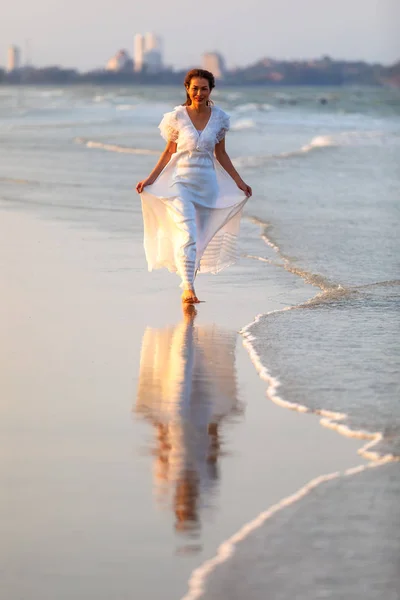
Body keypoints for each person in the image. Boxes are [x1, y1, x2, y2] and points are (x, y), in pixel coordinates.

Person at [136, 68, 252, 304]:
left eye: (204, 88)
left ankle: (189, 274)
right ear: (187, 88)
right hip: (181, 183)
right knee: (188, 233)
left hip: (208, 185)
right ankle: (188, 288)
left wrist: (239, 182)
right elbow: (169, 152)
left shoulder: (220, 118)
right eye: (195, 88)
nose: (199, 92)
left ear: (211, 90)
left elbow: (221, 154)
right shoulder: (177, 117)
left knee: (199, 238)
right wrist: (150, 179)